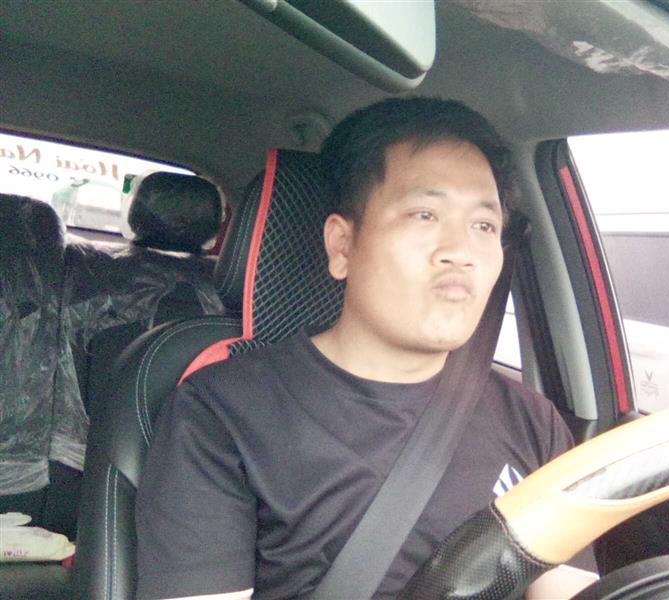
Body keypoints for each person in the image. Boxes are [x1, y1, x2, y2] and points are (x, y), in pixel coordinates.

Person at [135, 97, 576, 600]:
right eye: (425, 214)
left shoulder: (532, 421)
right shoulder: (221, 412)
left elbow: (567, 587)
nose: (461, 251)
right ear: (342, 245)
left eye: (484, 226)